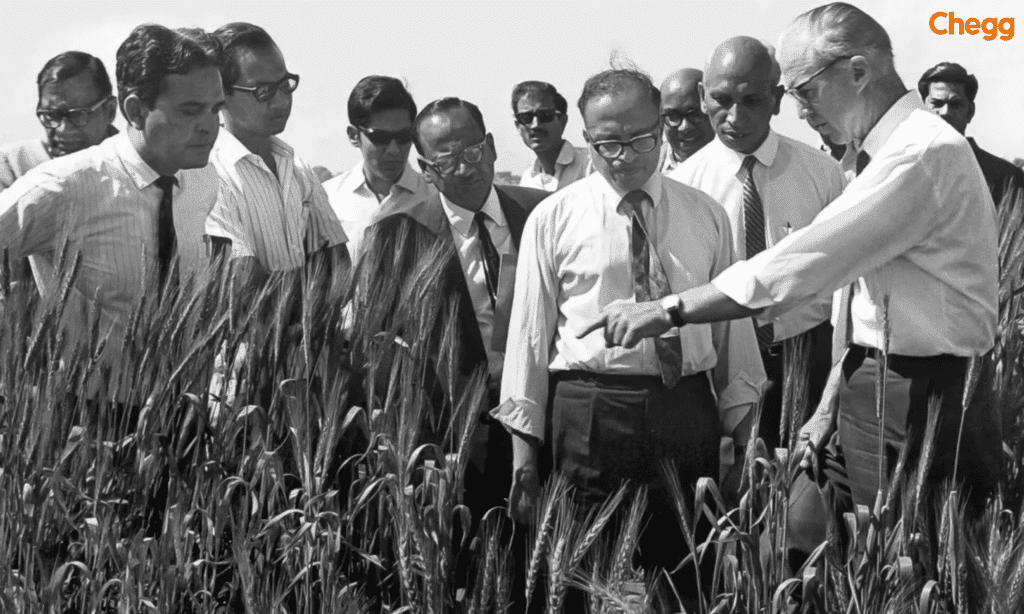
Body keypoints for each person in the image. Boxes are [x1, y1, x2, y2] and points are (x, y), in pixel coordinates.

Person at [581, 2, 1001, 559]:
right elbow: (855, 289)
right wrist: (834, 398)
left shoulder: (918, 155)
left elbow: (801, 262)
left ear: (855, 72)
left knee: (905, 564)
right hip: (871, 381)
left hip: (918, 395)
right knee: (817, 555)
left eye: (802, 89)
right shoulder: (883, 154)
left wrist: (669, 309)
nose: (797, 110)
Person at [495, 68, 765, 593]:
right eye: (608, 144)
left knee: (687, 572)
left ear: (662, 128)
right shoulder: (554, 219)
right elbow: (527, 341)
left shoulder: (707, 216)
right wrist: (524, 454)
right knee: (584, 575)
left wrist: (745, 438)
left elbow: (735, 335)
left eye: (640, 139)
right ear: (586, 138)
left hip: (685, 409)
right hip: (590, 414)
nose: (626, 157)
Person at [0, 24, 224, 396]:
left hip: (184, 420)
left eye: (216, 109)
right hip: (88, 424)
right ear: (134, 110)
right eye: (190, 110)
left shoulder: (203, 181)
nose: (210, 126)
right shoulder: (65, 185)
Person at [357, 97, 548, 518]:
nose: (466, 167)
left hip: (546, 427)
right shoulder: (396, 236)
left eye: (474, 152)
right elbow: (381, 350)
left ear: (493, 146)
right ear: (426, 170)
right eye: (447, 160)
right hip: (460, 442)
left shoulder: (543, 212)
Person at [668, 36, 844, 450]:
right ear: (701, 96)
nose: (734, 116)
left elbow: (846, 286)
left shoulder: (823, 174)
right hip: (720, 362)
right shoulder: (680, 189)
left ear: (778, 98)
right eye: (721, 100)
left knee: (806, 498)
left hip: (806, 357)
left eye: (751, 100)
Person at [205, 23, 348, 301]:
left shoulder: (300, 170)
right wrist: (313, 283)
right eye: (263, 91)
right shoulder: (208, 176)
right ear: (221, 96)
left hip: (311, 342)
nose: (282, 101)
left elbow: (340, 267)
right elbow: (244, 283)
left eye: (285, 85)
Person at [323, 75, 433, 262]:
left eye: (403, 136)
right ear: (353, 136)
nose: (393, 149)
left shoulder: (434, 199)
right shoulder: (327, 200)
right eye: (380, 138)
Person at [0, 52, 118, 191]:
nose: (63, 130)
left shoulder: (138, 170)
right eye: (51, 115)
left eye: (77, 114)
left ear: (109, 110)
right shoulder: (11, 167)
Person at [918, 62, 1023, 214]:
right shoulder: (899, 170)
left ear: (970, 112)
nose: (945, 112)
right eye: (937, 103)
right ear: (923, 111)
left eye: (955, 104)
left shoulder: (1007, 179)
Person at [512, 81, 589, 192]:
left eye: (544, 115)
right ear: (518, 126)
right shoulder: (527, 180)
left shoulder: (590, 166)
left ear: (563, 121)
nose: (535, 125)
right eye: (525, 117)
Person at [658, 68, 715, 172]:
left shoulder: (743, 169)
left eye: (695, 114)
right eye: (673, 116)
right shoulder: (644, 173)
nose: (684, 127)